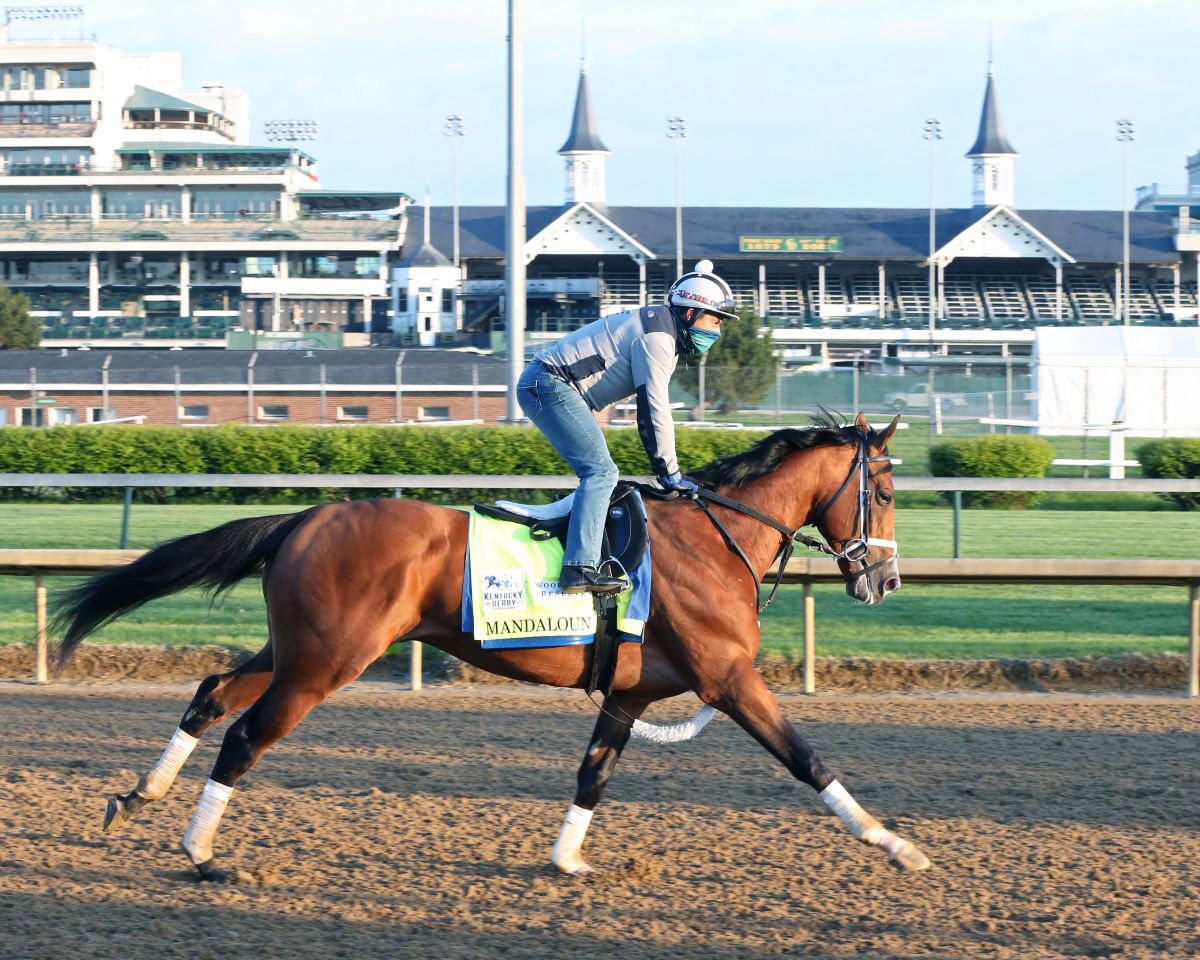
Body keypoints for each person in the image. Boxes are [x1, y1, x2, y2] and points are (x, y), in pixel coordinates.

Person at [518, 260, 737, 594]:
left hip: (553, 385)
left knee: (600, 471)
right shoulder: (658, 339)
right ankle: (579, 568)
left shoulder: (663, 330)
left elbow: (648, 414)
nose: (717, 331)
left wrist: (665, 468)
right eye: (715, 319)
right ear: (690, 313)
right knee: (601, 472)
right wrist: (670, 472)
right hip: (548, 384)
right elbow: (653, 410)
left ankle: (582, 550)